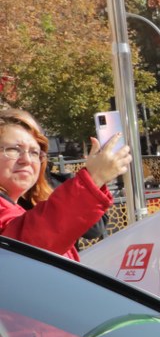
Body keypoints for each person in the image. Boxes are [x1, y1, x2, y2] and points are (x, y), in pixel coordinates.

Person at [0, 108, 129, 261]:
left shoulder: (17, 208)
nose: (27, 160)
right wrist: (94, 178)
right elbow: (24, 247)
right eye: (14, 149)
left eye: (34, 152)